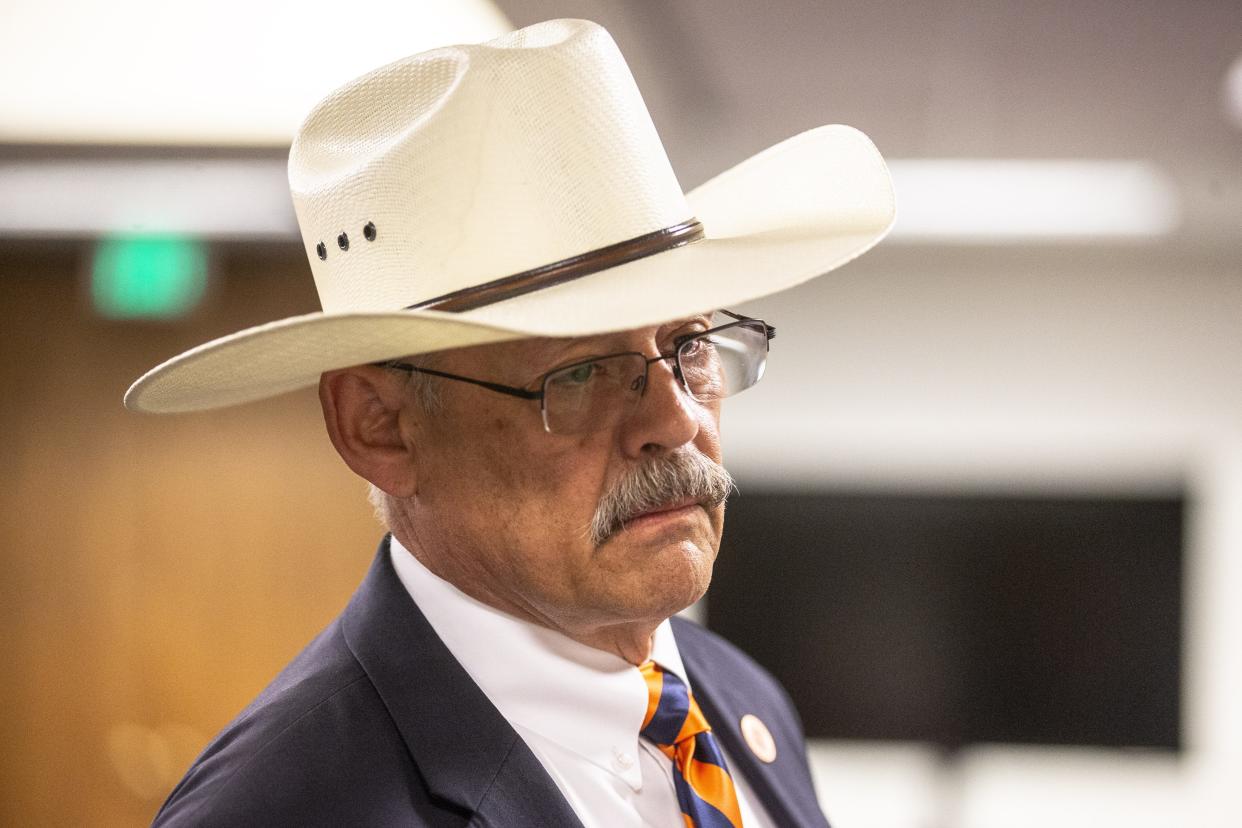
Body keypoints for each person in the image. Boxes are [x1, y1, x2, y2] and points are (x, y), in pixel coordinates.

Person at [127, 18, 894, 828]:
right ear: (380, 428)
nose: (673, 418)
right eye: (584, 374)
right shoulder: (285, 808)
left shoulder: (740, 699)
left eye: (688, 344)